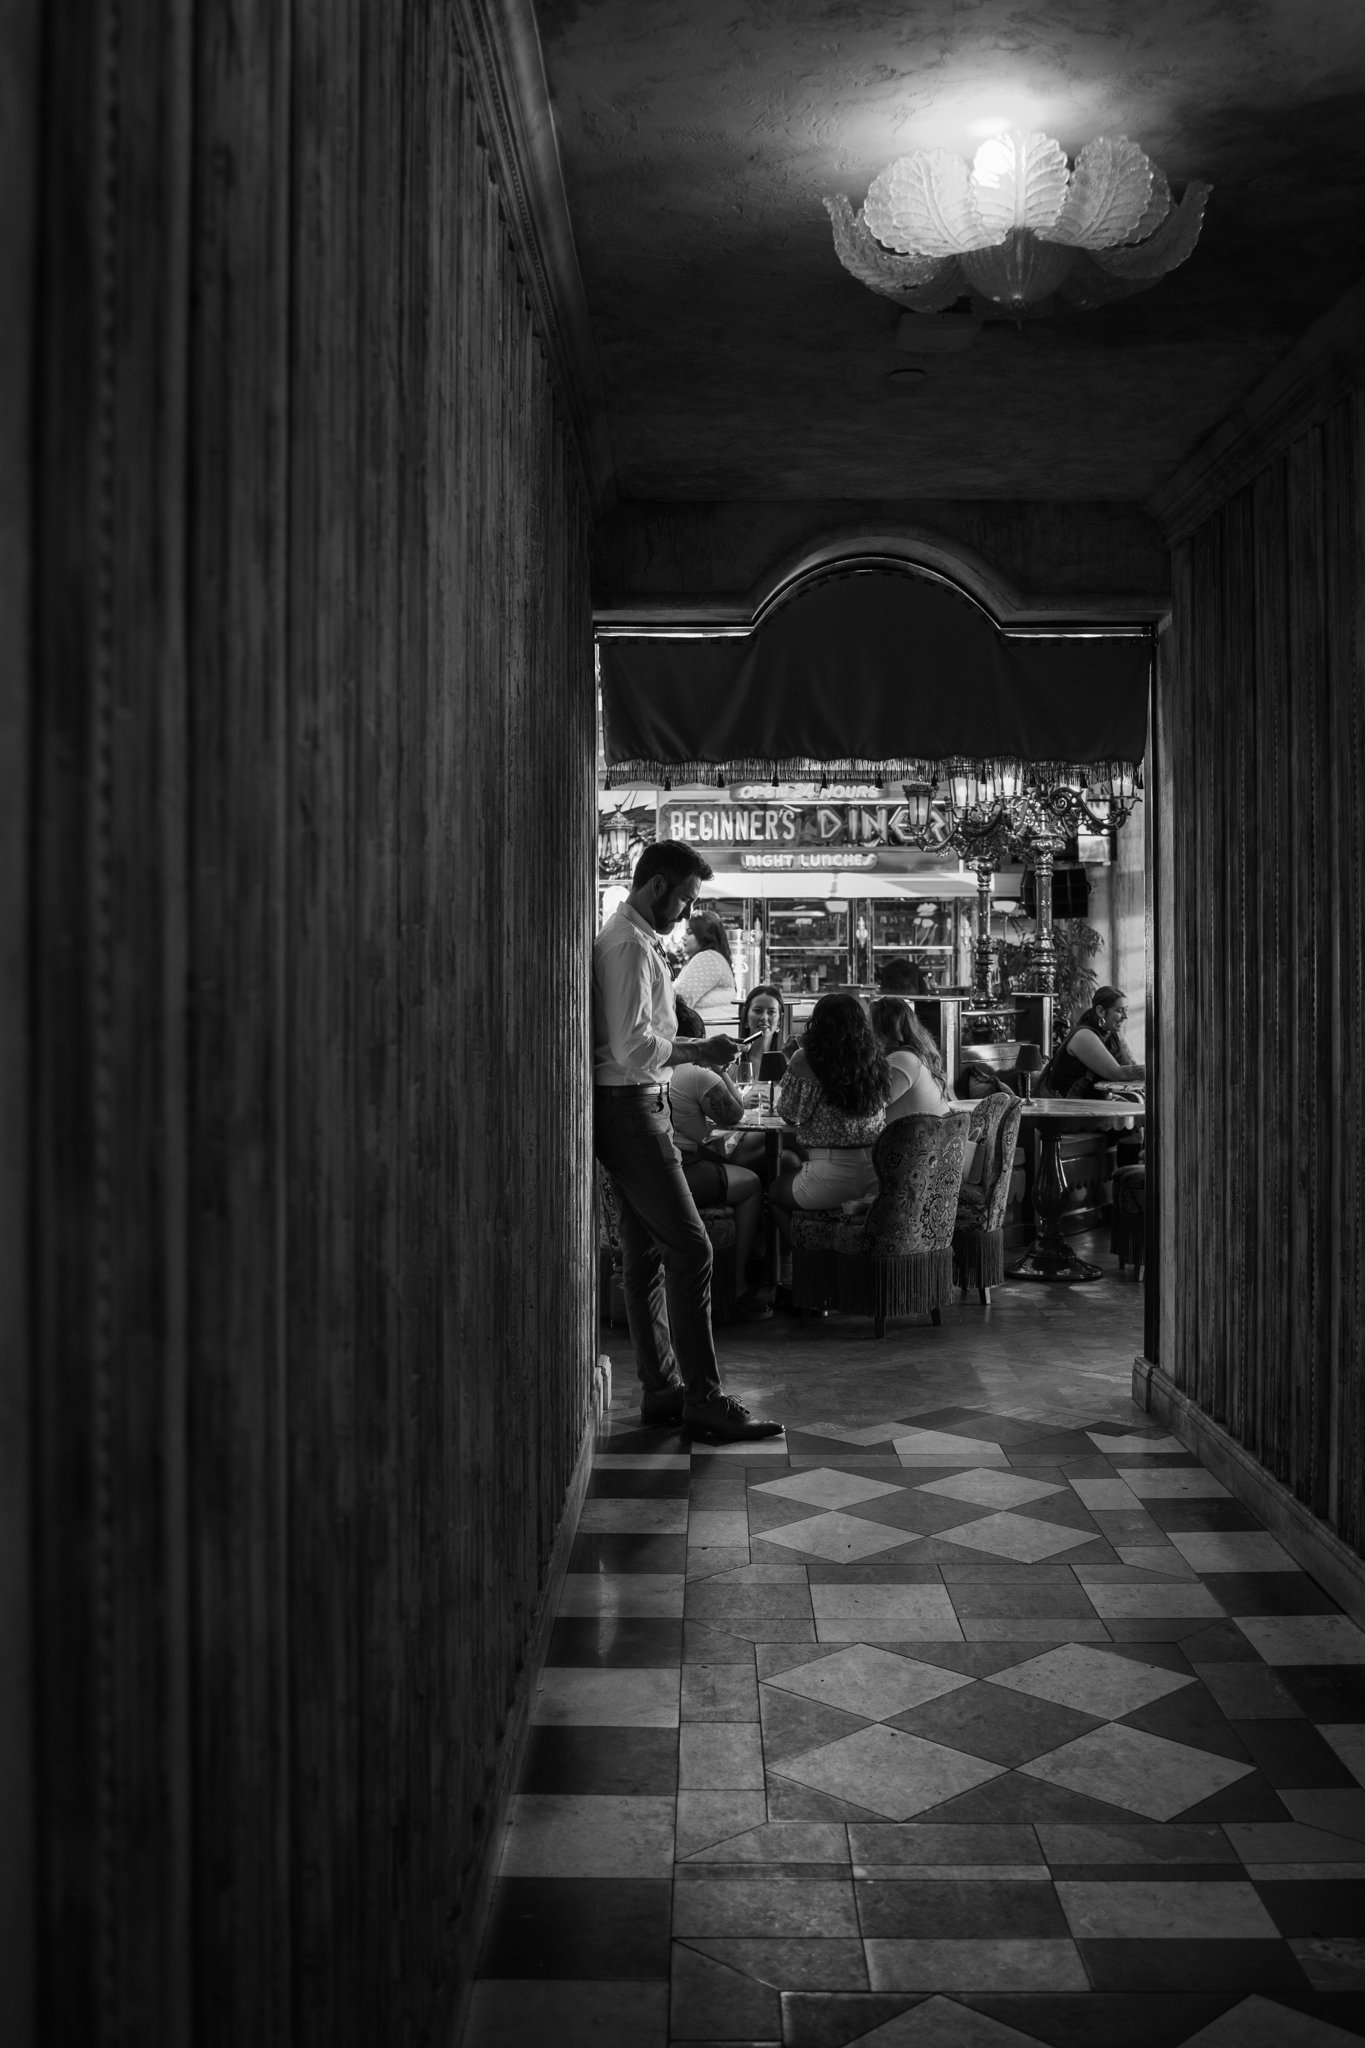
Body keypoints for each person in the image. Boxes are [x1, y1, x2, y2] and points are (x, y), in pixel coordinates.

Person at [593, 841, 782, 1441]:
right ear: (657, 887)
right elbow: (633, 1048)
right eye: (685, 898)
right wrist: (700, 1048)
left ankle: (663, 1391)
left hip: (633, 1105)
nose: (687, 912)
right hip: (630, 1108)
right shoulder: (626, 944)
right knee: (693, 1250)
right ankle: (702, 1397)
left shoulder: (635, 940)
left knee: (646, 1255)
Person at [767, 991, 891, 1307]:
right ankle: (839, 1273)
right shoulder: (875, 1057)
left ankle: (811, 1273)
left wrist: (791, 1064)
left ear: (817, 1023)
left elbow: (789, 1114)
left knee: (774, 1194)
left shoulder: (805, 1058)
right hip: (877, 1175)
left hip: (831, 1175)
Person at [667, 999, 772, 1320]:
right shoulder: (697, 1073)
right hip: (683, 1172)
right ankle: (738, 1284)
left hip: (660, 1167)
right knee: (752, 1182)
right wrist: (716, 1069)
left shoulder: (652, 1067)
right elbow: (736, 1113)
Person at [1041, 985, 1145, 1096]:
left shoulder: (1112, 1033)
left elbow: (1130, 1065)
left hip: (1094, 1101)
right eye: (1119, 1011)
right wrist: (1155, 1069)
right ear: (1100, 1011)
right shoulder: (1083, 1036)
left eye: (1126, 1010)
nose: (1125, 1016)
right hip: (1067, 1103)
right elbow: (1117, 1073)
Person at [869, 996, 954, 1121]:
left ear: (884, 1029)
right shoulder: (913, 1054)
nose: (865, 1031)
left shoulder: (902, 1059)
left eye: (869, 1024)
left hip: (923, 1133)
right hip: (930, 1131)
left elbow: (870, 1107)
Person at [672, 909, 738, 1025]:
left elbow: (679, 1001)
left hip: (709, 1032)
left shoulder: (708, 958)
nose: (683, 937)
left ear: (704, 935)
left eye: (689, 932)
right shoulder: (712, 957)